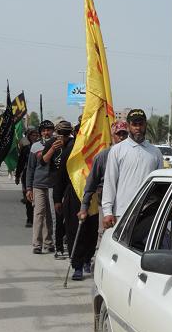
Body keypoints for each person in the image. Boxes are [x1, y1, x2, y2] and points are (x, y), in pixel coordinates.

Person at [101, 109, 164, 229]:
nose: (138, 128)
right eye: (134, 124)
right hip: (122, 213)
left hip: (148, 213)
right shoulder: (117, 150)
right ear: (129, 126)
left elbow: (160, 186)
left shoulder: (155, 152)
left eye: (141, 124)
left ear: (145, 125)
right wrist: (107, 212)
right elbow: (110, 182)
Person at [53, 122, 98, 280]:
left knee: (91, 232)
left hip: (93, 197)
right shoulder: (70, 150)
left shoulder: (97, 150)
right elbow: (61, 176)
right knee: (74, 231)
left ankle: (87, 259)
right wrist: (57, 199)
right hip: (73, 195)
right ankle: (77, 265)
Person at [77, 121, 129, 236]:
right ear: (112, 135)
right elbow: (91, 184)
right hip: (106, 204)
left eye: (124, 134)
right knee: (105, 234)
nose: (121, 137)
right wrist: (84, 207)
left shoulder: (132, 155)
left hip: (126, 204)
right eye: (118, 134)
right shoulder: (102, 156)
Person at [42, 120, 73, 259]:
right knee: (57, 218)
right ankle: (58, 247)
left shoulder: (73, 144)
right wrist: (52, 149)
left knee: (70, 216)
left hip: (70, 185)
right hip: (54, 185)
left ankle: (70, 245)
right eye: (60, 133)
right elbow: (43, 161)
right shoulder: (51, 143)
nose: (63, 137)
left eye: (66, 134)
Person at [27, 120, 55, 254]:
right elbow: (30, 168)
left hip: (53, 185)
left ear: (53, 131)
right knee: (39, 214)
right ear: (40, 132)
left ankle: (48, 242)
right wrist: (28, 188)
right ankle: (37, 244)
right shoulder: (35, 147)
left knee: (50, 215)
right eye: (44, 130)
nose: (46, 132)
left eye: (48, 130)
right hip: (38, 185)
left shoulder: (57, 145)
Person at [16, 127, 39, 228]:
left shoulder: (41, 147)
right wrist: (17, 176)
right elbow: (20, 163)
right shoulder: (26, 149)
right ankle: (30, 219)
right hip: (27, 175)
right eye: (33, 135)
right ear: (29, 137)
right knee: (29, 198)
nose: (35, 137)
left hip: (39, 176)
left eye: (36, 135)